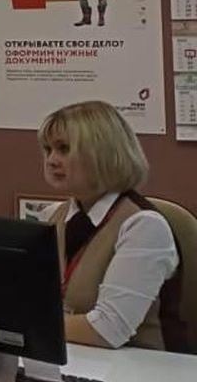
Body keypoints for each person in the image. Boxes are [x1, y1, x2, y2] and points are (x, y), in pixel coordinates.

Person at [37, 100, 188, 351]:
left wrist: (29, 323)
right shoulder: (51, 217)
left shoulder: (144, 226)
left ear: (101, 153)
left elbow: (108, 329)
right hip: (75, 358)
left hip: (144, 364)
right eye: (48, 149)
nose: (51, 160)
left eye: (64, 149)